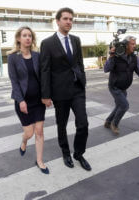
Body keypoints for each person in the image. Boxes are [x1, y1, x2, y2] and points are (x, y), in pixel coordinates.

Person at [40, 7, 91, 171]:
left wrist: (82, 79)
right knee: (61, 125)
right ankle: (66, 152)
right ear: (57, 21)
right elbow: (45, 70)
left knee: (83, 123)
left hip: (77, 89)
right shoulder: (47, 43)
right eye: (65, 19)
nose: (69, 21)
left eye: (71, 19)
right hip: (59, 92)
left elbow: (79, 63)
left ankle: (79, 153)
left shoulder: (76, 40)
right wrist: (45, 95)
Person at [8, 26, 49, 174]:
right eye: (24, 35)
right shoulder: (12, 57)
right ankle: (24, 141)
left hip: (38, 101)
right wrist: (21, 101)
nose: (27, 38)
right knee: (30, 133)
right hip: (23, 101)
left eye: (30, 36)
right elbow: (14, 82)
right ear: (19, 38)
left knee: (39, 132)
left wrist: (47, 96)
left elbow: (44, 77)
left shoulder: (37, 56)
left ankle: (39, 161)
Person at [104, 35, 139, 134]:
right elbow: (106, 69)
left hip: (123, 88)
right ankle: (114, 124)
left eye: (135, 44)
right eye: (132, 44)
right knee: (124, 106)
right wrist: (111, 56)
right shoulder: (116, 56)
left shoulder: (134, 58)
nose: (134, 46)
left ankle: (108, 121)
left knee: (119, 105)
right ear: (126, 45)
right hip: (114, 87)